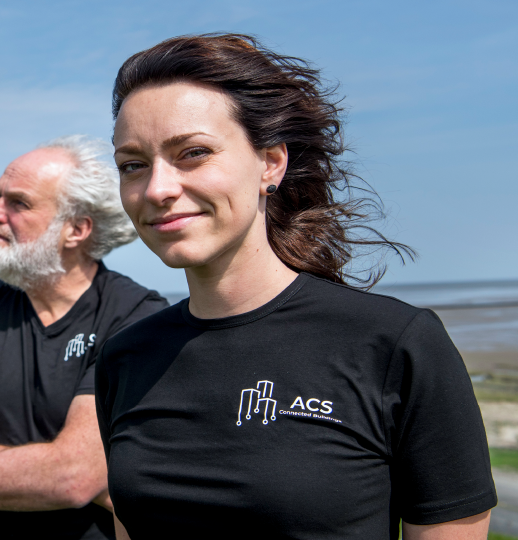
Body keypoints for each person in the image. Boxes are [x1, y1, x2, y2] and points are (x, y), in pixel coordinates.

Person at [95, 34, 497, 540]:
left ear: (271, 163)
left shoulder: (394, 344)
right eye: (133, 165)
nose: (157, 189)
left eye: (193, 153)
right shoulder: (126, 358)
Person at [0, 135, 169, 540]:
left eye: (17, 203)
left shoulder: (135, 317)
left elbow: (74, 477)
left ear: (76, 229)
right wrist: (71, 469)